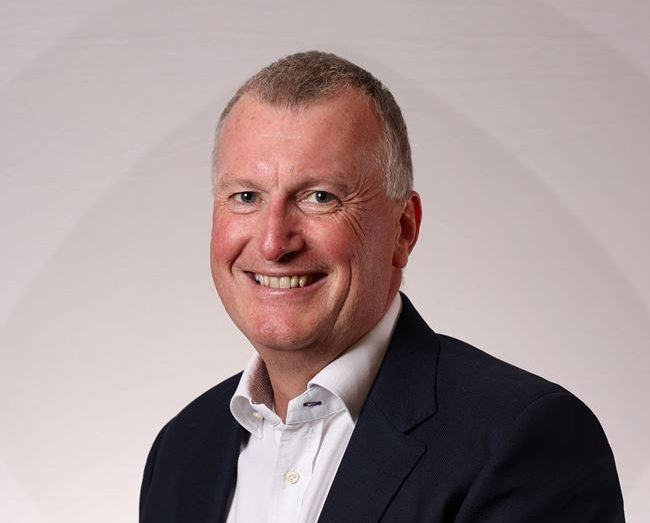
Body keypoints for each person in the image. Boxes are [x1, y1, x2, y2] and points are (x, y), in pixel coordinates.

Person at [139, 51, 625, 522]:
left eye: (320, 197)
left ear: (403, 230)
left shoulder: (525, 441)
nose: (273, 242)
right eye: (246, 197)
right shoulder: (181, 452)